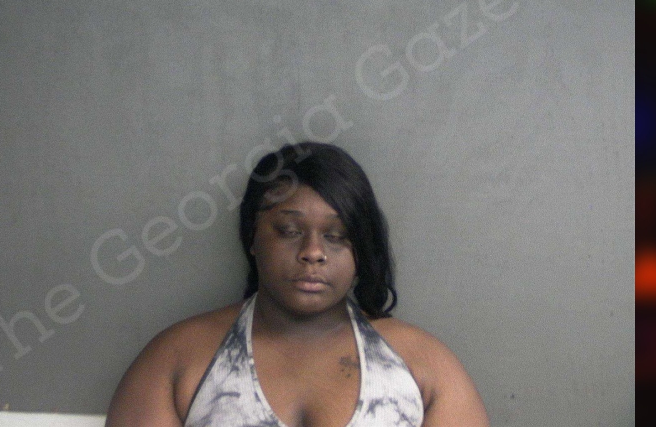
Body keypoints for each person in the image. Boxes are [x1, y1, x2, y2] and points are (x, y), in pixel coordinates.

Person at [106, 142, 490, 427]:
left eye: (337, 236)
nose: (312, 252)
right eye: (289, 231)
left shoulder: (424, 366)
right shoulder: (177, 358)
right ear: (252, 237)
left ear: (361, 248)